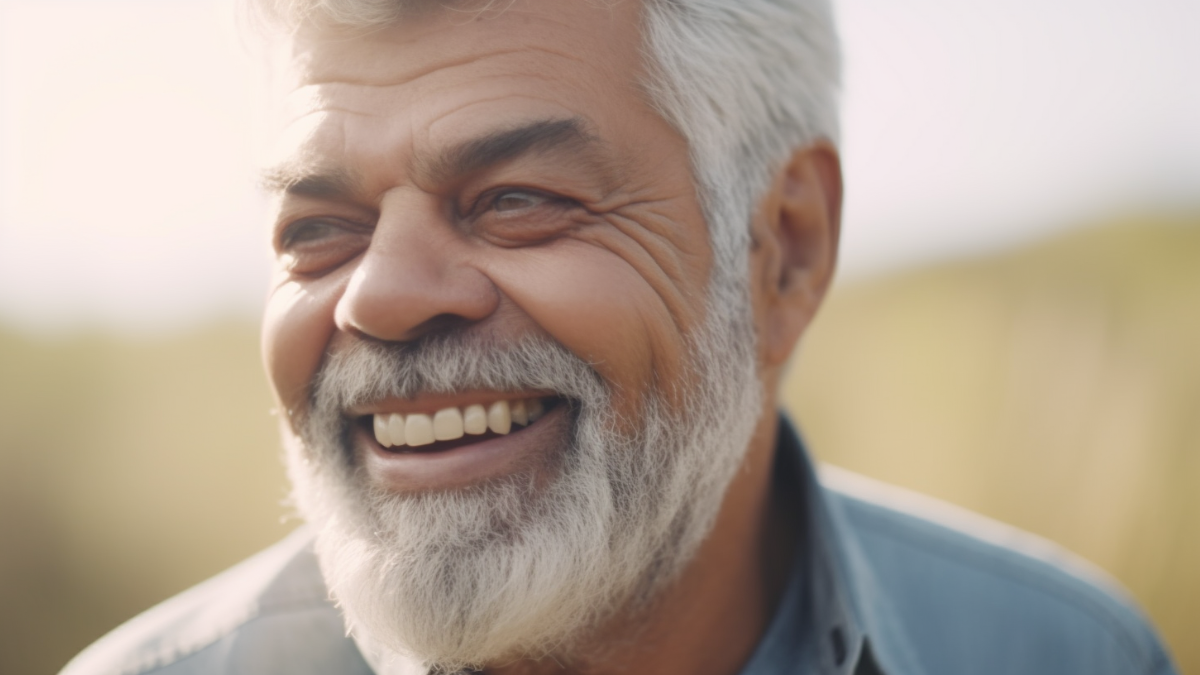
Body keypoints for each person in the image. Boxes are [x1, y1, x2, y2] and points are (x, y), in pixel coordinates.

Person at [60, 1, 1177, 674]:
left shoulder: (1060, 655)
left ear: (782, 249)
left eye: (515, 198)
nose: (380, 299)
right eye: (320, 229)